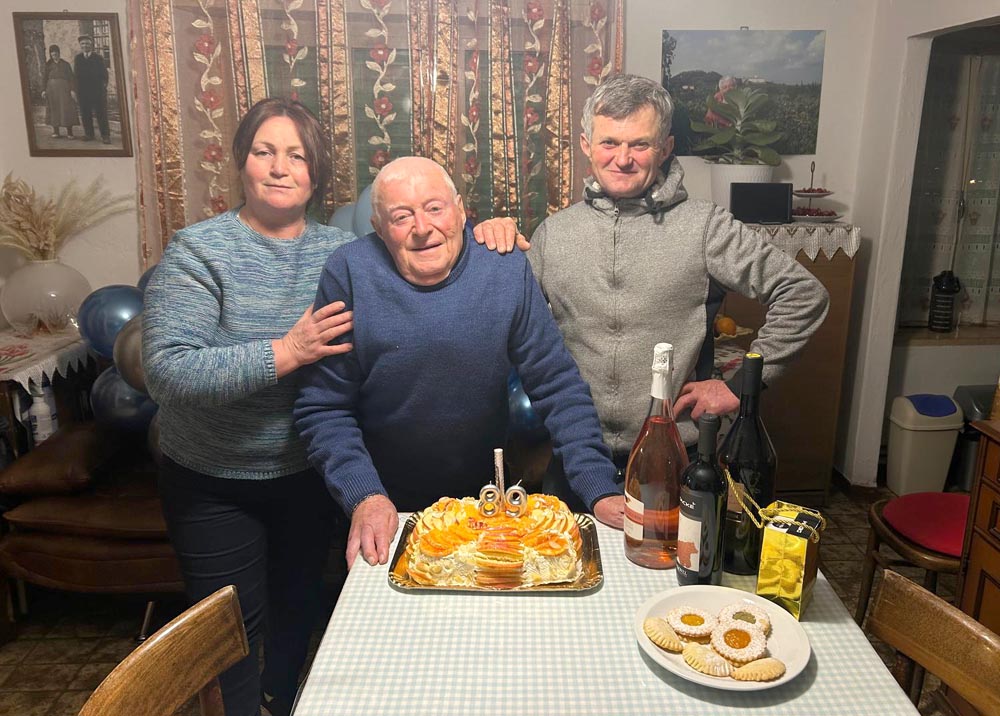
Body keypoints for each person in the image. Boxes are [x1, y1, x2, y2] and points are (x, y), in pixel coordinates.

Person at [474, 74, 829, 509]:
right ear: (586, 145)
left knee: (671, 557)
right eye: (609, 142)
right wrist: (489, 246)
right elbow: (502, 323)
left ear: (665, 147)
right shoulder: (554, 234)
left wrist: (740, 387)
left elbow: (803, 294)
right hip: (574, 458)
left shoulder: (705, 227)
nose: (622, 159)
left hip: (674, 459)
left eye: (640, 144)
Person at [293, 156, 623, 570]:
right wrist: (364, 496)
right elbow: (323, 407)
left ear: (461, 210)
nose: (422, 227)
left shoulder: (503, 266)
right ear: (378, 228)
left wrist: (598, 485)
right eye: (401, 216)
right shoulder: (349, 271)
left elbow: (557, 385)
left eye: (435, 208)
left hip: (483, 499)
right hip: (382, 501)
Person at [143, 98, 355, 716]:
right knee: (230, 641)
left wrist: (492, 235)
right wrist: (288, 351)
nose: (280, 167)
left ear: (316, 173)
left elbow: (424, 258)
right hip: (212, 479)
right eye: (265, 151)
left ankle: (279, 701)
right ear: (241, 162)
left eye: (297, 155)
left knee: (298, 615)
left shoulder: (343, 252)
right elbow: (168, 372)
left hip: (307, 475)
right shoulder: (199, 250)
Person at [73, 35, 110, 144]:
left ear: (91, 45)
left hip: (97, 91)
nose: (85, 46)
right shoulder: (78, 58)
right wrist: (75, 90)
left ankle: (105, 135)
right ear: (80, 45)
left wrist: (103, 87)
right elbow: (76, 76)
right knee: (85, 113)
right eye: (83, 44)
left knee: (101, 113)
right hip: (83, 91)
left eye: (87, 43)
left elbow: (104, 75)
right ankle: (89, 134)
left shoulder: (98, 58)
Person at [41, 45, 76, 139]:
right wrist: (43, 90)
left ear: (59, 53)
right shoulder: (48, 65)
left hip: (64, 90)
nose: (54, 55)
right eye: (52, 54)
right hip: (51, 90)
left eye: (56, 53)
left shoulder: (65, 64)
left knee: (67, 109)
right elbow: (44, 78)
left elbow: (71, 78)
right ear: (50, 54)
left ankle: (70, 132)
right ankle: (56, 131)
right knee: (54, 109)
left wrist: (72, 90)